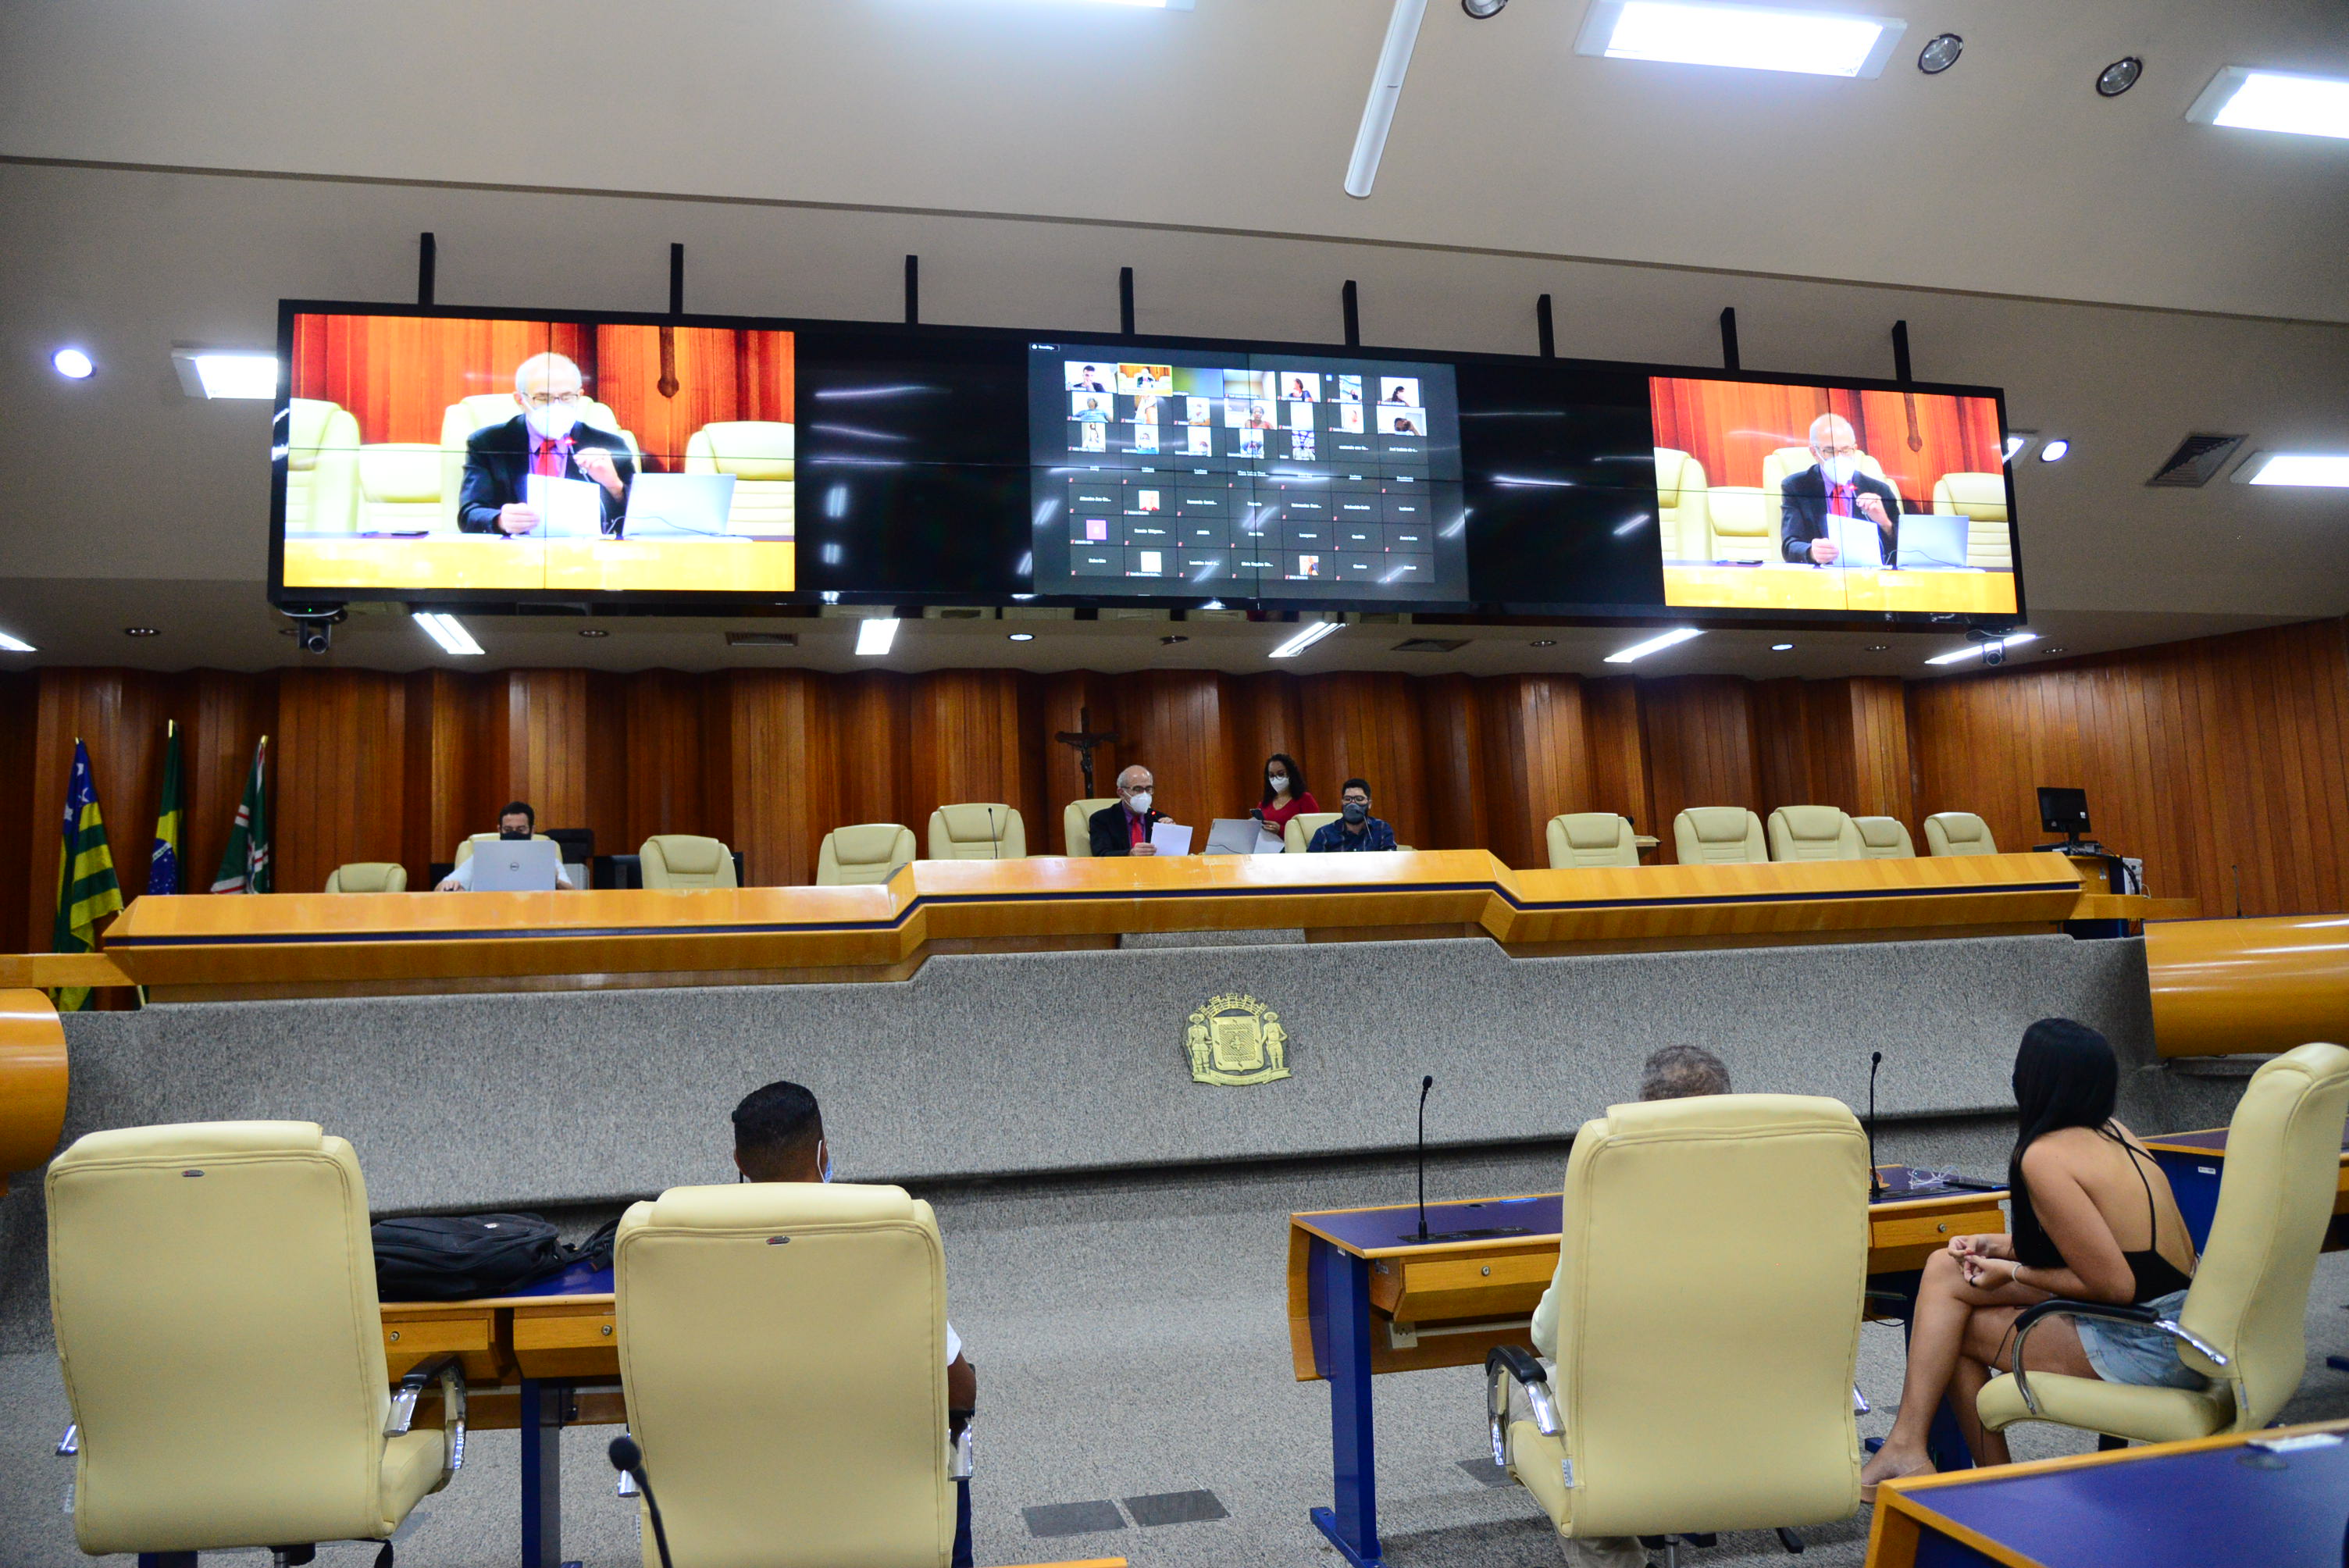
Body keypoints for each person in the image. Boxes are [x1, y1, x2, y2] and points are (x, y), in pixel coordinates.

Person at [1858, 1018, 2201, 1500]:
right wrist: (1995, 1246)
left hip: (2146, 1341)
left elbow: (2115, 1285)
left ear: (2032, 1081)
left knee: (1950, 1333)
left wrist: (2013, 1271)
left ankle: (1996, 1488)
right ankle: (1911, 1447)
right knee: (1943, 1269)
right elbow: (2100, 1251)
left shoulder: (2043, 1156)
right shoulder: (2114, 1132)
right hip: (2184, 1321)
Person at [733, 1081, 977, 1568]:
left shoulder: (680, 1244)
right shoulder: (890, 1237)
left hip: (748, 1495)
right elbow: (960, 1391)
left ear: (740, 1162)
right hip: (878, 1494)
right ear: (823, 1153)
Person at [1528, 1045, 1733, 1568]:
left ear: (1643, 1110)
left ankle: (1617, 1550)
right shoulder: (1790, 1182)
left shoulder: (1607, 1192)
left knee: (1533, 1394)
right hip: (1755, 1403)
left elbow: (1551, 1337)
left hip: (1641, 1409)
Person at [458, 352, 636, 536]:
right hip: (514, 550)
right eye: (543, 398)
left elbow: (638, 522)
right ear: (520, 400)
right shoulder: (488, 443)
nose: (556, 406)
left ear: (579, 396)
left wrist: (615, 487)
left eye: (567, 397)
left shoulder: (609, 445)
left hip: (588, 550)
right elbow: (469, 514)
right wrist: (500, 521)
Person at [1780, 412, 1902, 568]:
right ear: (1814, 452)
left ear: (1854, 449)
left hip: (1869, 574)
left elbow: (1903, 550)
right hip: (1821, 575)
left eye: (1845, 450)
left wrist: (1885, 524)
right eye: (1830, 451)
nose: (1839, 457)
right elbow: (1789, 546)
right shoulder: (1796, 487)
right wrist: (1811, 552)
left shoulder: (1879, 490)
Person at [433, 800, 574, 889]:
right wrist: (449, 886)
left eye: (521, 830)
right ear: (499, 830)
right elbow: (440, 888)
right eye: (508, 830)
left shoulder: (545, 858)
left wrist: (556, 881)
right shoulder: (483, 857)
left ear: (532, 830)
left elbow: (572, 893)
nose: (514, 834)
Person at [1089, 764, 1170, 857]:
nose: (1144, 794)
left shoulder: (1159, 819)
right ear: (1121, 793)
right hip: (1120, 866)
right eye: (1137, 789)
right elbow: (1101, 855)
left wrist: (1172, 832)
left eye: (1148, 789)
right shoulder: (1102, 819)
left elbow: (1172, 856)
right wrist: (1129, 854)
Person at [1306, 778, 1396, 852]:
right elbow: (1311, 865)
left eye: (1359, 799)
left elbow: (1391, 861)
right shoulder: (1324, 834)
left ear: (1369, 804)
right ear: (1342, 802)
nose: (1352, 804)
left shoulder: (1381, 829)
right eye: (1348, 799)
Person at [1249, 753, 1321, 836]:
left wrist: (1281, 830)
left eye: (1281, 774)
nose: (1276, 779)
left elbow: (1314, 829)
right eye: (1271, 775)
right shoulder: (1264, 804)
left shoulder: (1305, 799)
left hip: (1294, 844)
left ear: (1291, 774)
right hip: (1267, 844)